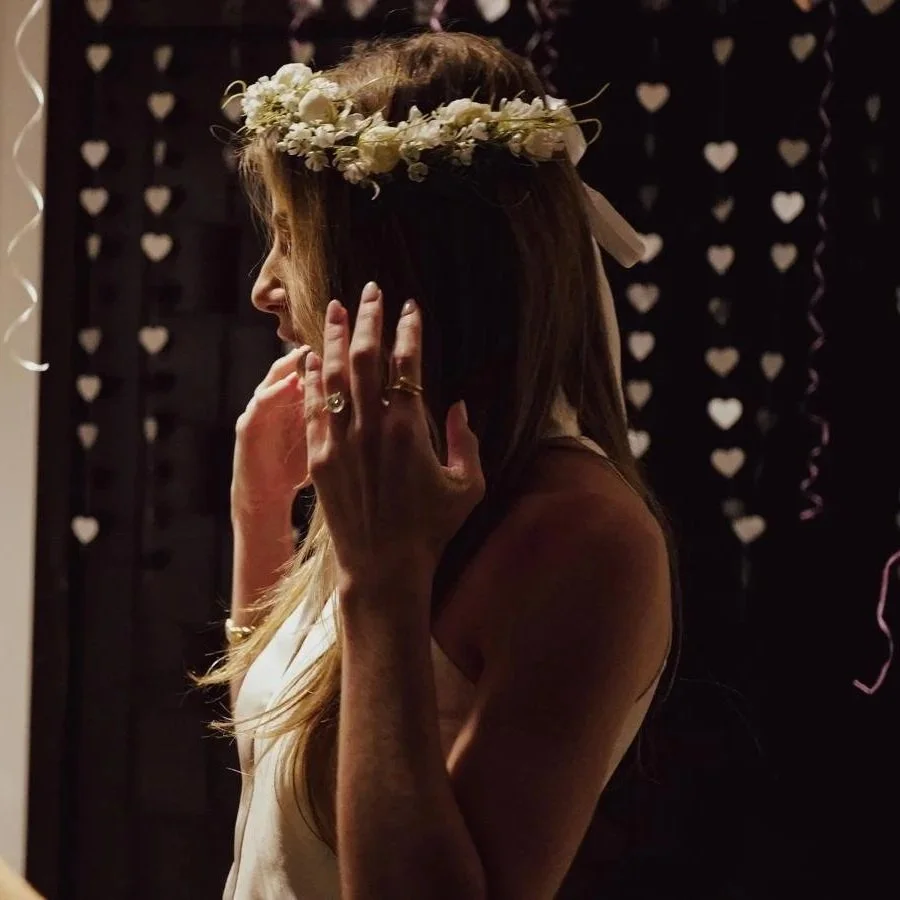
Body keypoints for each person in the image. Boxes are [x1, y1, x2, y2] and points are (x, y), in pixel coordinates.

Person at [199, 31, 677, 900]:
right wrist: (260, 513)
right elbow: (276, 757)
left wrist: (383, 585)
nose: (265, 287)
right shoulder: (391, 468)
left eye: (291, 240)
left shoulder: (584, 538)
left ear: (402, 267)